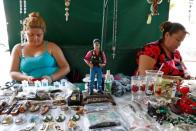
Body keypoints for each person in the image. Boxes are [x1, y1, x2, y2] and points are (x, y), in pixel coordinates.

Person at [10, 12, 70, 84]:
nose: (35, 38)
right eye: (31, 35)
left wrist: (51, 78)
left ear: (43, 33)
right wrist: (26, 78)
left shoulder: (52, 46)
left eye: (39, 35)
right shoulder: (18, 49)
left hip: (55, 83)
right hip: (30, 87)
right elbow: (13, 72)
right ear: (24, 33)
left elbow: (66, 68)